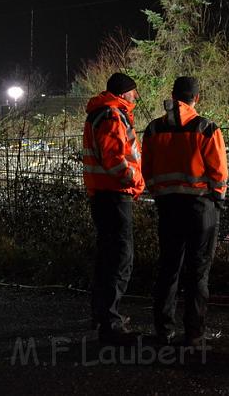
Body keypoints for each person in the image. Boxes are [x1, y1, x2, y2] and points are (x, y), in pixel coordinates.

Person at [142, 76, 228, 346]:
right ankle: (194, 332)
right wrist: (218, 198)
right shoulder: (206, 128)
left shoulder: (153, 130)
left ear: (173, 96)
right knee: (198, 271)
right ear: (196, 98)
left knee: (168, 268)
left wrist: (158, 193)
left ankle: (163, 329)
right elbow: (219, 172)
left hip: (168, 206)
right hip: (201, 208)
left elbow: (147, 170)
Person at [82, 72, 144, 344]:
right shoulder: (111, 115)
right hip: (115, 194)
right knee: (120, 258)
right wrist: (137, 180)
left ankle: (103, 315)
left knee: (107, 256)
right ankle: (111, 322)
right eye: (133, 91)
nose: (136, 96)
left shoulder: (101, 113)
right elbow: (116, 160)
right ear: (123, 93)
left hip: (102, 194)